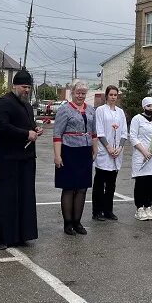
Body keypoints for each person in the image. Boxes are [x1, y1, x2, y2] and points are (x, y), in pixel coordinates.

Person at [0, 69, 43, 249]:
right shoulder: (3, 103)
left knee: (24, 197)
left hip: (25, 158)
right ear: (14, 86)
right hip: (7, 160)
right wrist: (27, 133)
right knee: (5, 198)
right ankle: (0, 238)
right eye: (24, 87)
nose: (26, 90)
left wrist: (35, 130)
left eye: (29, 87)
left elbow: (28, 125)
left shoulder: (26, 105)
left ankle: (20, 234)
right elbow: (3, 127)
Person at [53, 79, 97, 235]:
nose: (81, 96)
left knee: (82, 188)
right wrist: (57, 156)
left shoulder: (91, 110)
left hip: (85, 151)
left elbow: (94, 133)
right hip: (68, 151)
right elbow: (57, 134)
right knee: (69, 188)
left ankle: (78, 222)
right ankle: (68, 224)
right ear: (72, 93)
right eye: (78, 93)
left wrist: (95, 150)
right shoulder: (64, 110)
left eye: (83, 93)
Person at [92, 85, 128, 221]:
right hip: (104, 151)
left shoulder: (120, 112)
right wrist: (108, 147)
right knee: (100, 183)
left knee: (112, 183)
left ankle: (108, 210)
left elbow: (124, 131)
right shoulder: (100, 110)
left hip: (117, 152)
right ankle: (97, 211)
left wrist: (119, 147)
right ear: (106, 96)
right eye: (111, 94)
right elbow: (99, 131)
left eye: (115, 95)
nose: (113, 97)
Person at [130, 97, 152, 221]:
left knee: (151, 182)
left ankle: (148, 206)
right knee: (141, 182)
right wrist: (144, 151)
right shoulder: (137, 119)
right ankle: (139, 208)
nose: (151, 109)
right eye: (148, 106)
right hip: (141, 154)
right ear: (143, 107)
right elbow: (132, 136)